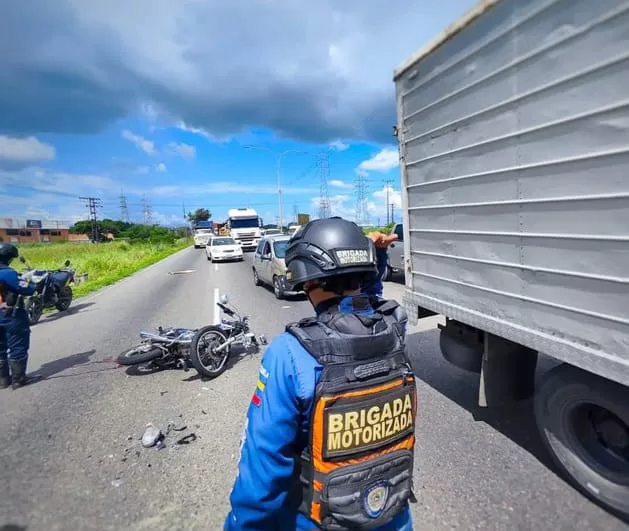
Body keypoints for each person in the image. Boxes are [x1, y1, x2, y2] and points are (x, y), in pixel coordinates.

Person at [225, 218, 416, 531]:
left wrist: (238, 525)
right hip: (393, 515)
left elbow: (263, 471)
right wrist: (373, 257)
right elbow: (368, 306)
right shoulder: (394, 329)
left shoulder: (290, 354)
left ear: (306, 279)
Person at [0, 243, 37, 390]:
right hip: (11, 316)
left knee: (0, 347)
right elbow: (27, 290)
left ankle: (2, 381)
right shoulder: (8, 273)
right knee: (17, 345)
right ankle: (18, 380)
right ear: (9, 258)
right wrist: (32, 283)